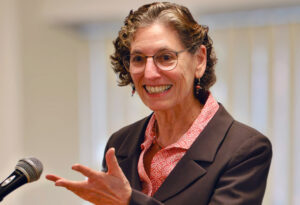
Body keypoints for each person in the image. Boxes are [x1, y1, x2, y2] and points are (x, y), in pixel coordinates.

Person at [46, 2, 272, 205]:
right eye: (138, 59)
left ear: (199, 60)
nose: (150, 73)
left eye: (165, 57)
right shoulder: (121, 143)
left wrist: (129, 201)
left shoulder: (245, 149)